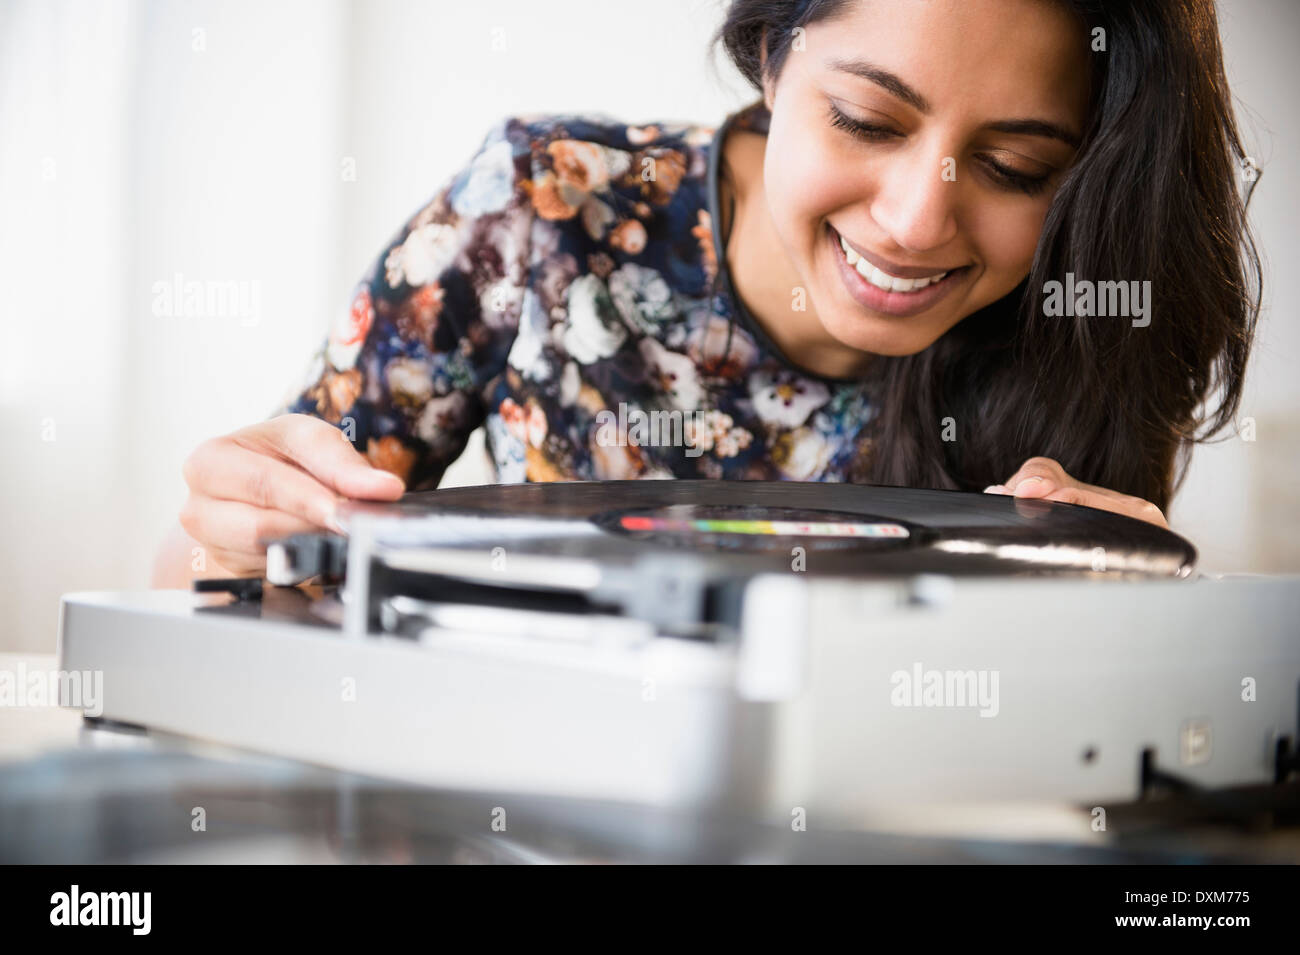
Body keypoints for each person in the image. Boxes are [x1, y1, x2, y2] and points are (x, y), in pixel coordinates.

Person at [152, 0, 1260, 587]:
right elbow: (204, 571)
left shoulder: (1096, 300)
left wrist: (1127, 614)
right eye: (867, 122)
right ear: (773, 59)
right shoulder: (543, 202)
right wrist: (228, 541)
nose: (917, 220)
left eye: (1018, 168)